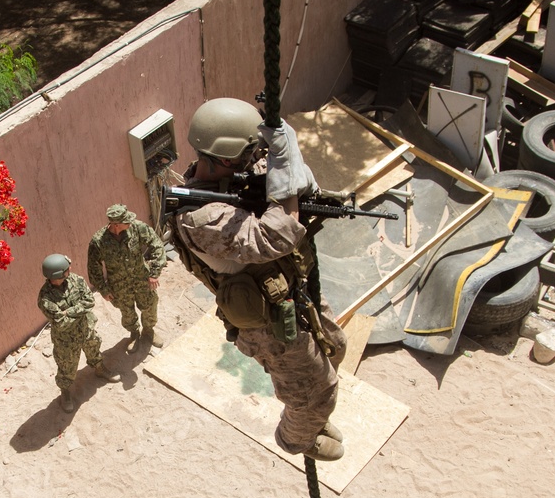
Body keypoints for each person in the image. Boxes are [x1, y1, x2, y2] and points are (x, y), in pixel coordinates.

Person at [169, 97, 347, 462]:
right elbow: (276, 236)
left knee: (336, 346)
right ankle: (297, 438)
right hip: (267, 323)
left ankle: (311, 414)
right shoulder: (201, 218)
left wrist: (288, 155)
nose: (258, 158)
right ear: (226, 158)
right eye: (250, 152)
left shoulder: (235, 173)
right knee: (316, 392)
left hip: (293, 290)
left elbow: (298, 181)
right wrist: (286, 182)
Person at [38, 253, 121, 412]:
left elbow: (89, 301)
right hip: (66, 340)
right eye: (66, 269)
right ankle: (65, 391)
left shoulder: (76, 280)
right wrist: (78, 311)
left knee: (94, 350)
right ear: (56, 275)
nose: (70, 269)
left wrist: (68, 312)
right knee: (66, 367)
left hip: (86, 329)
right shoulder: (45, 298)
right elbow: (61, 324)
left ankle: (99, 369)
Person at [87, 204, 167, 353]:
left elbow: (156, 245)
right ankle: (134, 334)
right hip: (119, 285)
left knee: (150, 305)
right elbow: (94, 269)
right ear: (116, 224)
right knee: (127, 312)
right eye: (126, 221)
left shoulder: (137, 228)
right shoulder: (98, 241)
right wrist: (103, 290)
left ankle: (149, 331)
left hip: (142, 279)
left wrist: (154, 272)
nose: (130, 221)